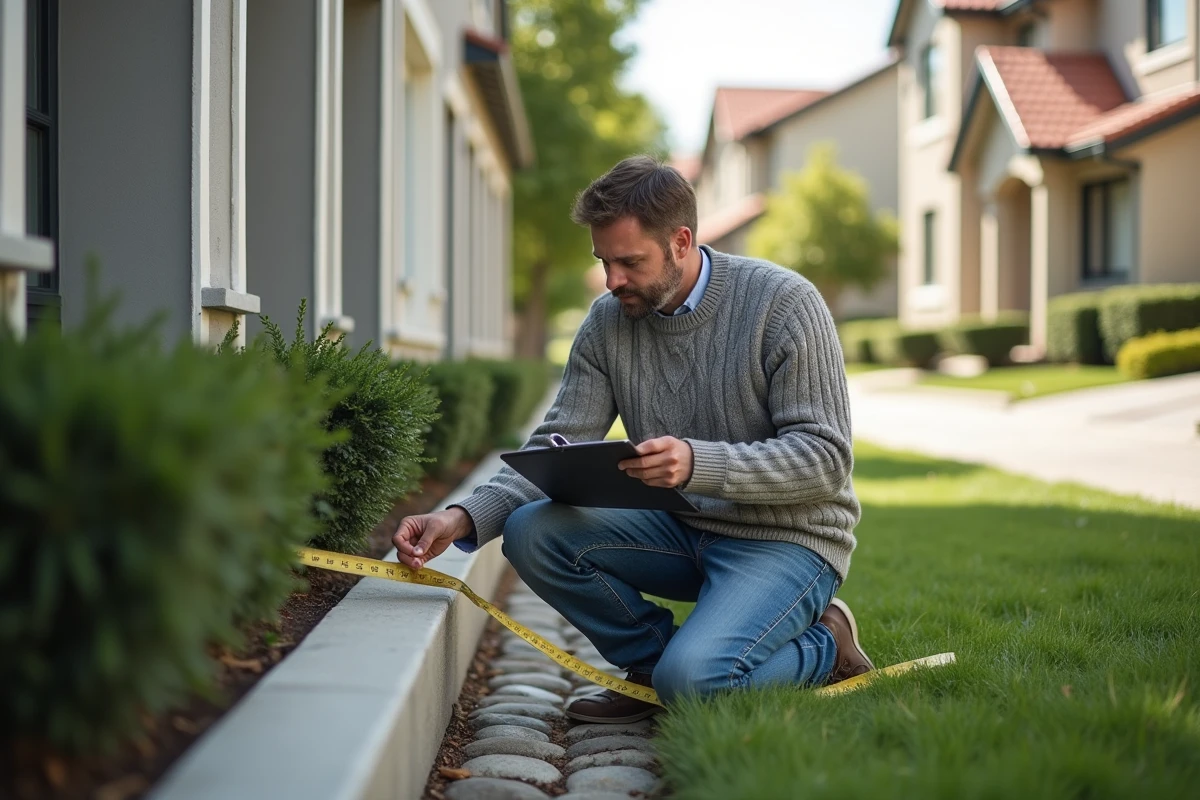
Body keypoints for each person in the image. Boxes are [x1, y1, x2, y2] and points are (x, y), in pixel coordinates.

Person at [393, 155, 873, 724]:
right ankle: (649, 666)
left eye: (629, 262)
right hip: (680, 528)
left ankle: (827, 643)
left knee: (694, 685)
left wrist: (697, 463)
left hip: (787, 539)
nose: (612, 280)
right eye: (603, 261)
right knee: (532, 530)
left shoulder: (784, 303)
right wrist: (461, 517)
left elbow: (825, 458)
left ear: (681, 242)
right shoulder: (607, 322)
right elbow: (556, 443)